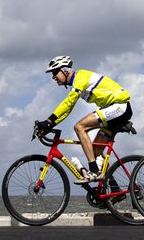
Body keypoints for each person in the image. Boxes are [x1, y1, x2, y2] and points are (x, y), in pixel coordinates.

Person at [34, 55, 133, 184]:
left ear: (65, 70)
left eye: (54, 73)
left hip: (120, 106)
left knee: (79, 127)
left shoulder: (80, 77)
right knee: (95, 152)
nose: (53, 77)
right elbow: (67, 110)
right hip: (114, 110)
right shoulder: (77, 83)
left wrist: (48, 122)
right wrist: (50, 124)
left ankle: (93, 171)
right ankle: (114, 187)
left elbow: (68, 103)